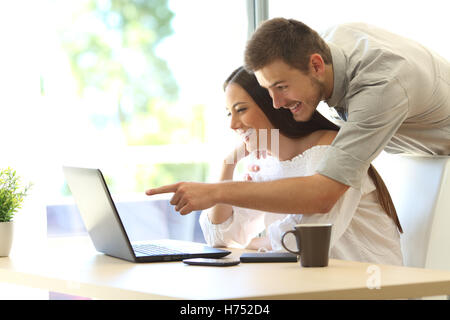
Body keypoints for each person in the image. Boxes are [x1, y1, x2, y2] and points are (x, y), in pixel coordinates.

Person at [145, 18, 449, 217]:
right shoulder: (327, 44)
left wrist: (215, 192)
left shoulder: (380, 87)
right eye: (268, 89)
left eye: (281, 87)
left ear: (316, 65)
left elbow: (321, 196)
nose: (275, 104)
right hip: (420, 154)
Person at [200, 66, 403, 265]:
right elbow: (220, 238)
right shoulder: (268, 164)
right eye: (229, 113)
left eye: (241, 109)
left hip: (367, 288)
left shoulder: (330, 151)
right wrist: (228, 164)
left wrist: (255, 242)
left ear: (272, 104)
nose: (232, 124)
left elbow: (302, 241)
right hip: (310, 282)